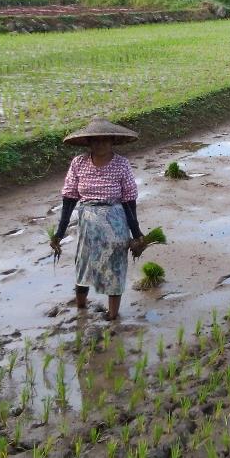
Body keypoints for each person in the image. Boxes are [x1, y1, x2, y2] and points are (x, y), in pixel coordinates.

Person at [50, 117, 147, 321]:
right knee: (83, 265)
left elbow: (129, 200)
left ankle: (112, 315)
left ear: (112, 141)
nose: (100, 144)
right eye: (95, 140)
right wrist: (59, 232)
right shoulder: (78, 163)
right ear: (88, 143)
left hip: (115, 223)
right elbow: (69, 198)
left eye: (104, 140)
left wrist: (137, 233)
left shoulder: (121, 164)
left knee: (115, 266)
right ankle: (81, 309)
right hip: (87, 225)